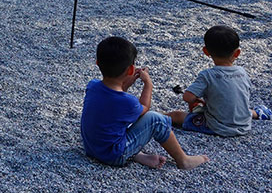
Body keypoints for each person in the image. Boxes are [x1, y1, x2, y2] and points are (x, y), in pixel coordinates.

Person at [81, 36, 208, 170]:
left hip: (91, 149)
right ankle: (183, 160)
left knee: (115, 122)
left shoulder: (92, 86)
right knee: (156, 120)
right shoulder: (127, 102)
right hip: (113, 156)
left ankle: (137, 155)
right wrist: (148, 84)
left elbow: (113, 101)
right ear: (130, 70)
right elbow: (145, 109)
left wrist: (125, 85)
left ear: (97, 63)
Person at [166, 25, 271, 136]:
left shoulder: (207, 75)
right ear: (237, 53)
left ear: (206, 51)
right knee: (237, 107)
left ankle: (154, 115)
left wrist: (198, 99)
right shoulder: (242, 72)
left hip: (217, 127)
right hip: (244, 124)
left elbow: (187, 97)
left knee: (177, 115)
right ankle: (257, 113)